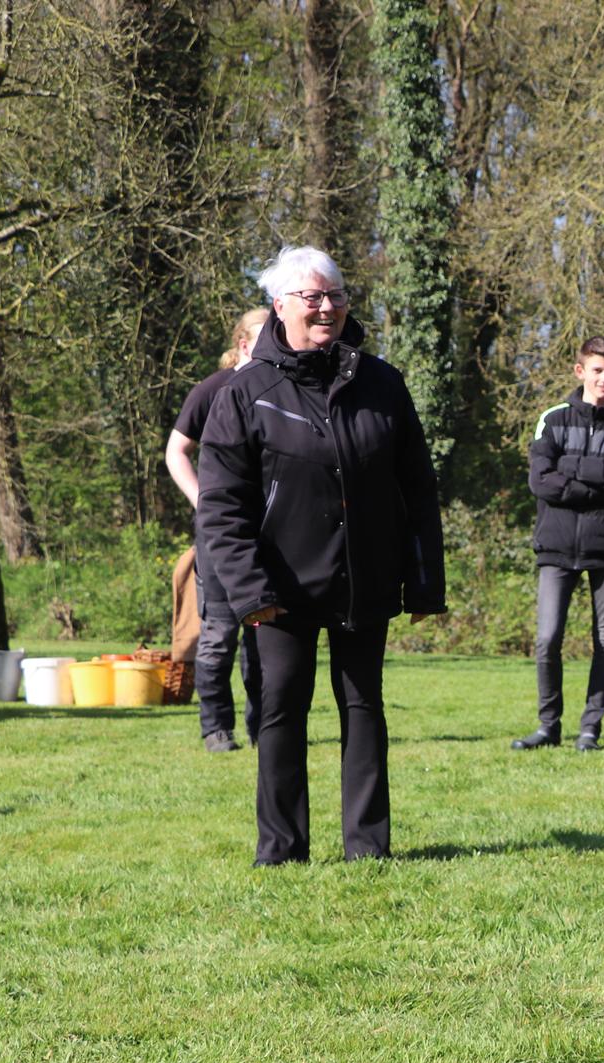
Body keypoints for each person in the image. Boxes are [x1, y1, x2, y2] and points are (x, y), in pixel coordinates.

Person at [198, 245, 446, 863]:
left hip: (364, 579)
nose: (326, 307)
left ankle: (369, 847)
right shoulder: (243, 392)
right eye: (311, 297)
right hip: (277, 590)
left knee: (363, 705)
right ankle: (281, 849)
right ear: (280, 306)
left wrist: (422, 583)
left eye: (334, 294)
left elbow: (416, 487)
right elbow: (222, 508)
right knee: (280, 709)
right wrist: (249, 593)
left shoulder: (382, 383)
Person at [512, 336, 604, 753]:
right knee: (548, 638)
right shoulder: (552, 419)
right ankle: (548, 725)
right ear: (580, 372)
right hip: (555, 547)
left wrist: (568, 469)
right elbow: (539, 481)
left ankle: (591, 728)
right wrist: (593, 484)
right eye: (597, 370)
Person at [165, 308, 268, 753]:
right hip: (221, 538)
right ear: (244, 345)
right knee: (220, 633)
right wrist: (206, 503)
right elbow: (176, 451)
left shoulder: (281, 390)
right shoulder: (213, 389)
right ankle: (216, 729)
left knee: (265, 634)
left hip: (270, 534)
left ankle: (265, 729)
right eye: (266, 340)